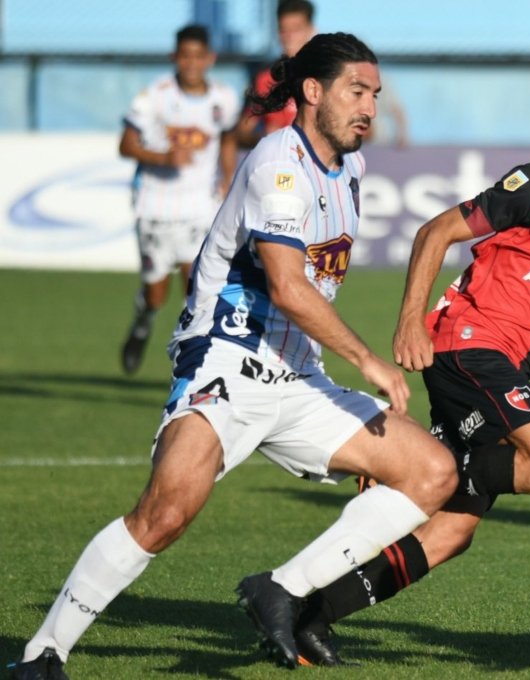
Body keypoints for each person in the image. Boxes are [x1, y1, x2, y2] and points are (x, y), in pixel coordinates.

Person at [10, 32, 458, 679]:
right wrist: (368, 359)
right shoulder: (279, 163)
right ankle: (43, 653)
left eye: (375, 95)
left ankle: (282, 589)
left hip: (299, 377)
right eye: (357, 92)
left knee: (432, 472)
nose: (370, 107)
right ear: (313, 92)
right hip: (226, 359)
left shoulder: (352, 170)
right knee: (166, 512)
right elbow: (287, 286)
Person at [237, 60, 530, 666]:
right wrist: (410, 321)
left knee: (452, 531)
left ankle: (311, 615)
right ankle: (426, 463)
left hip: (509, 368)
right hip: (469, 345)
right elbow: (434, 232)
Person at [119, 24, 240, 374]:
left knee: (198, 287)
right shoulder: (154, 96)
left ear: (209, 59)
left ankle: (193, 361)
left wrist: (228, 177)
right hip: (155, 205)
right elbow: (126, 145)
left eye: (198, 56)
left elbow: (228, 137)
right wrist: (164, 157)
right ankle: (143, 319)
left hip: (200, 206)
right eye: (184, 56)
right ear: (174, 57)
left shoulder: (224, 98)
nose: (191, 64)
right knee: (157, 291)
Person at [234, 0, 316, 149]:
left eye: (296, 29)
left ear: (311, 30)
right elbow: (242, 131)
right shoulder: (265, 78)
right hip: (278, 159)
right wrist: (266, 136)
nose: (289, 36)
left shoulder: (325, 75)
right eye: (283, 30)